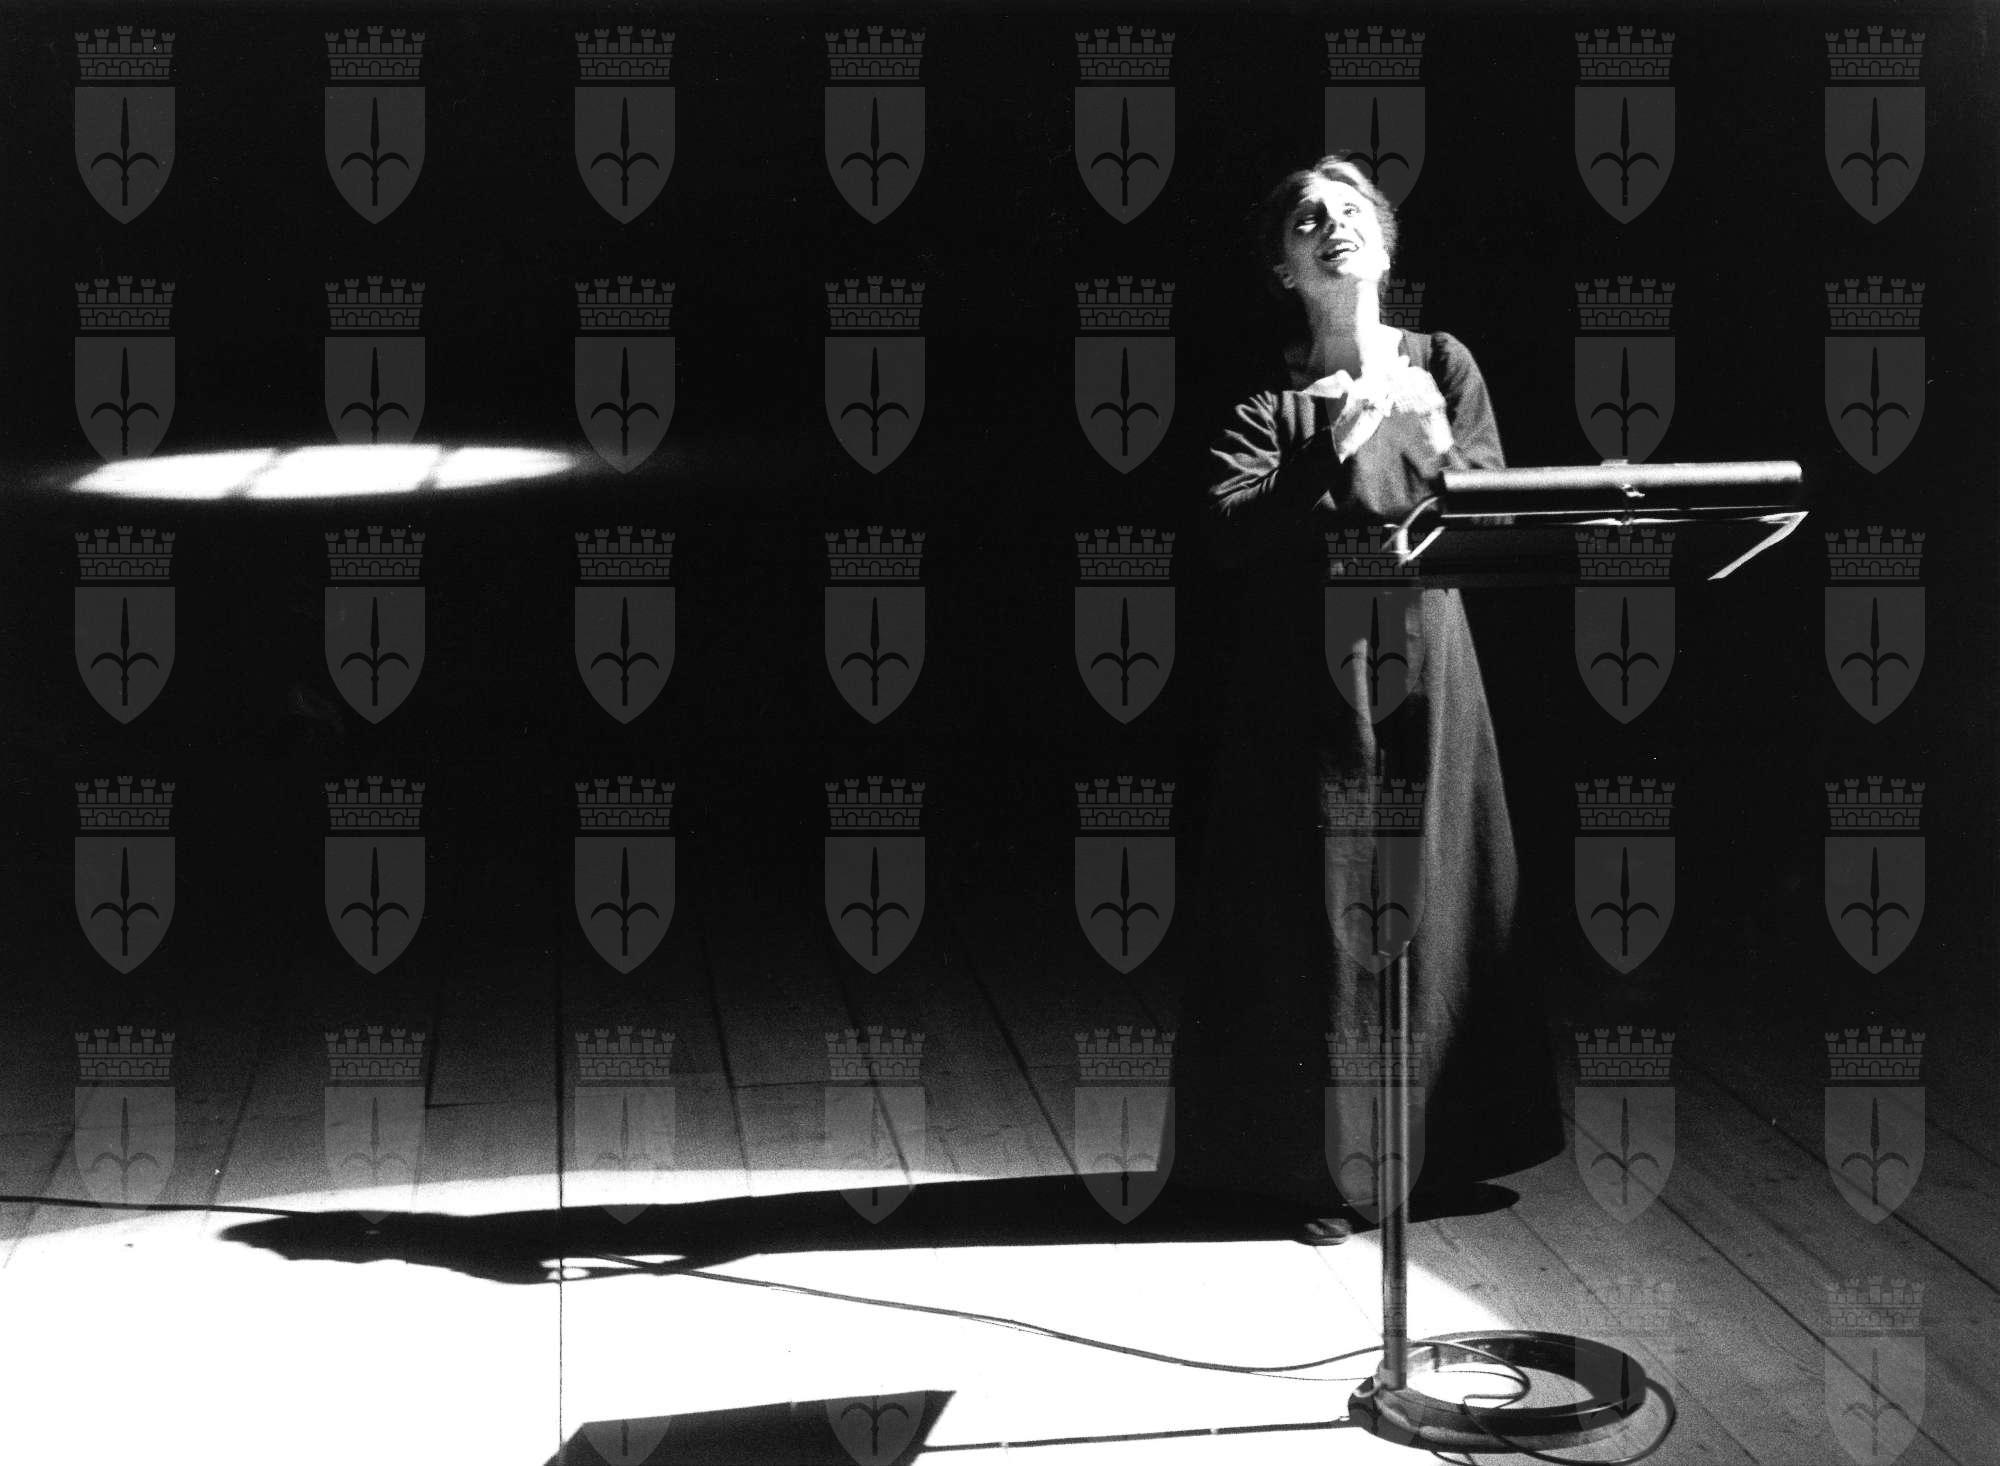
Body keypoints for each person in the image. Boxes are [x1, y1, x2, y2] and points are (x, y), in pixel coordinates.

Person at [1170, 154, 1563, 1239]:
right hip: (1310, 675)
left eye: (1350, 210)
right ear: (1281, 267)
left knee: (1436, 891)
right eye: (1307, 217)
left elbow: (1494, 512)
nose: (1332, 224)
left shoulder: (1441, 362)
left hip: (1429, 659)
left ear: (1384, 245)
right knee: (1326, 911)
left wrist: (1433, 443)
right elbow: (1227, 532)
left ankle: (1437, 1153)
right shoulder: (1270, 403)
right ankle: (1321, 1174)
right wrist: (1331, 448)